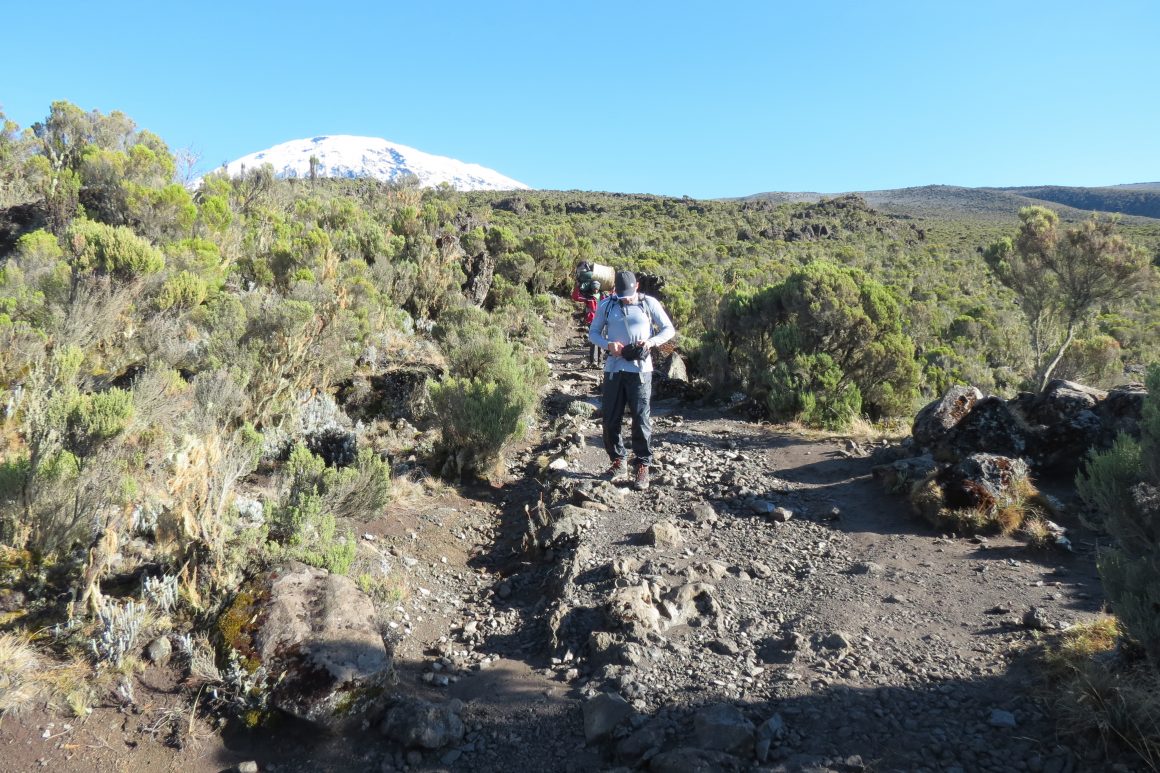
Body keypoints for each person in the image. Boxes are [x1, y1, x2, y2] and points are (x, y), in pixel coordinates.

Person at [588, 270, 676, 491]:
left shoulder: (649, 303)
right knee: (610, 418)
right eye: (621, 295)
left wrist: (650, 343)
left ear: (637, 286)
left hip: (640, 370)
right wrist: (608, 345)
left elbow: (668, 330)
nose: (625, 299)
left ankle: (642, 464)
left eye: (628, 295)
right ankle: (618, 461)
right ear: (615, 290)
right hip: (614, 369)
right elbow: (593, 333)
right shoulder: (607, 304)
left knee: (640, 418)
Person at [571, 280, 604, 366]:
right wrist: (577, 287)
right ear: (592, 288)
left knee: (601, 340)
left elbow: (614, 297)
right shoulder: (588, 296)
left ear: (599, 288)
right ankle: (593, 362)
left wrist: (613, 289)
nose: (595, 290)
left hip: (602, 320)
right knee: (593, 340)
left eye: (597, 288)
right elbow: (576, 297)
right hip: (591, 320)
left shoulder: (604, 296)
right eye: (594, 288)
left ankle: (600, 362)